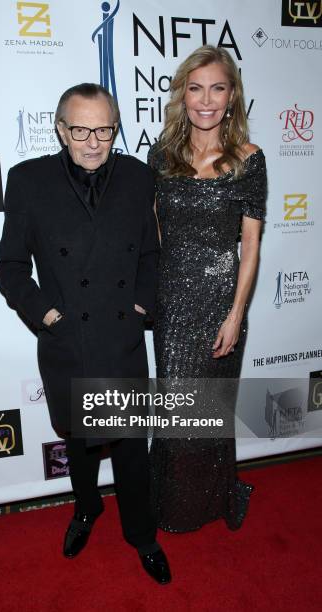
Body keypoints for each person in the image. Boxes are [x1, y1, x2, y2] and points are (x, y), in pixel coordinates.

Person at [0, 83, 171, 584]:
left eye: (104, 129)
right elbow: (10, 267)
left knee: (133, 445)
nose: (93, 142)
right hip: (69, 341)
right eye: (80, 130)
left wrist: (139, 306)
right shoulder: (28, 180)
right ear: (60, 129)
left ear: (115, 128)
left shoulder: (139, 177)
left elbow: (151, 255)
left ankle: (142, 535)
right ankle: (86, 510)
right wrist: (48, 316)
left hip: (121, 339)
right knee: (80, 443)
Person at [147, 46, 267, 532]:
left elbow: (252, 245)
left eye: (218, 87)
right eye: (195, 88)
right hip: (172, 302)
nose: (206, 99)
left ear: (232, 95)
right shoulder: (162, 155)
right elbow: (154, 234)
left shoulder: (249, 160)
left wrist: (236, 315)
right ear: (182, 95)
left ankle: (212, 500)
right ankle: (173, 505)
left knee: (211, 409)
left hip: (220, 301)